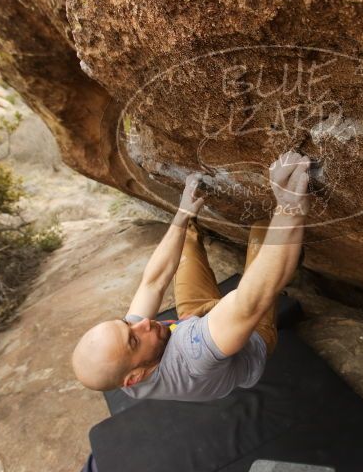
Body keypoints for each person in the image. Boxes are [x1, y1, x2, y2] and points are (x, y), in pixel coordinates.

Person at [71, 151, 311, 401]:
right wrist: (289, 208)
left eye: (126, 323)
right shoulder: (190, 357)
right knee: (264, 230)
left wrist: (183, 213)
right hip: (251, 336)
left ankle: (195, 219)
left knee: (184, 240)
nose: (141, 323)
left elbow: (153, 282)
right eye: (133, 339)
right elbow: (250, 302)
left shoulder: (124, 362)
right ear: (135, 378)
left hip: (190, 319)